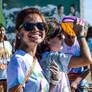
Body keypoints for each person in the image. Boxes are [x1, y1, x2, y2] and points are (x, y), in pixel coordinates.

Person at [7, 8, 60, 92]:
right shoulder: (19, 60)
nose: (35, 29)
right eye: (29, 26)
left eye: (40, 26)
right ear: (18, 33)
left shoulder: (34, 60)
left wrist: (53, 82)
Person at [37, 17, 92, 92]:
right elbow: (87, 60)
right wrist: (80, 35)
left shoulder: (42, 56)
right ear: (48, 40)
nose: (63, 38)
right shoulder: (53, 57)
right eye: (59, 36)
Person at [0, 23, 12, 92]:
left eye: (3, 30)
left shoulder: (8, 44)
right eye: (0, 30)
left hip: (8, 76)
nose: (1, 32)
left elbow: (11, 57)